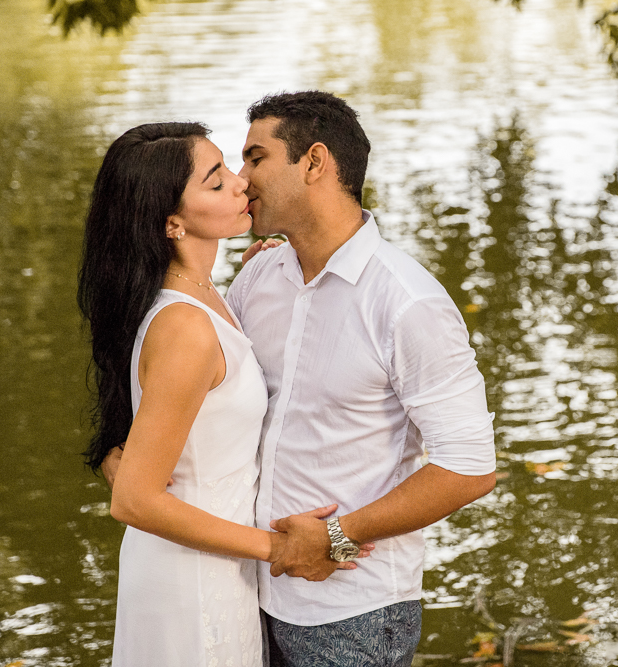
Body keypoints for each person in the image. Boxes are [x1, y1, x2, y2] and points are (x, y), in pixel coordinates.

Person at [78, 122, 367, 667]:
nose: (241, 184)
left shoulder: (207, 295)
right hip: (193, 576)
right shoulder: (186, 327)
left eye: (231, 168)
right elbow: (134, 498)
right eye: (215, 183)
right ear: (171, 223)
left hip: (217, 561)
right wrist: (279, 548)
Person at [230, 91, 497, 666]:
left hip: (351, 613)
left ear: (315, 162)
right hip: (247, 592)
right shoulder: (254, 281)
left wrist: (336, 536)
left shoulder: (407, 301)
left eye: (255, 158)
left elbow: (469, 467)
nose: (239, 177)